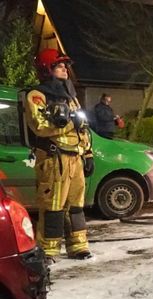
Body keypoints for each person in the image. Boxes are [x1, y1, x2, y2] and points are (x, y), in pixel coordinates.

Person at [24, 49, 94, 263]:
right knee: (53, 206)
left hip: (75, 159)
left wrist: (88, 153)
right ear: (48, 70)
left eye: (66, 66)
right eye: (60, 66)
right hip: (54, 160)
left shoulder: (70, 97)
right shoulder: (37, 96)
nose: (65, 69)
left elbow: (83, 128)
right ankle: (48, 251)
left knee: (76, 205)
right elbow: (41, 127)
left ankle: (78, 246)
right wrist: (70, 123)